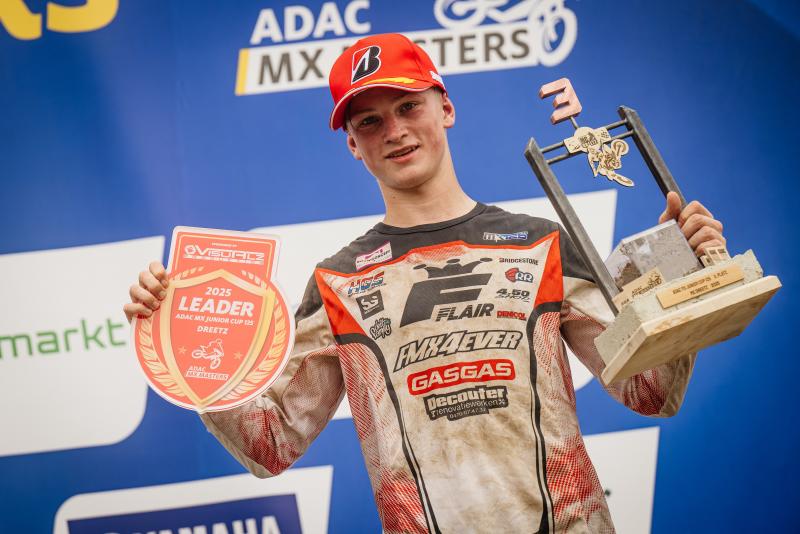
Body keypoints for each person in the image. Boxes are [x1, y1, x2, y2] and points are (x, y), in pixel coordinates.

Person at [124, 33, 726, 534]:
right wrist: (186, 348)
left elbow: (650, 391)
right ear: (352, 145)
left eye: (409, 106)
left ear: (446, 108)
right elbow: (270, 444)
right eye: (370, 121)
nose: (394, 130)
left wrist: (680, 271)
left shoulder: (542, 243)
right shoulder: (338, 281)